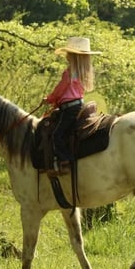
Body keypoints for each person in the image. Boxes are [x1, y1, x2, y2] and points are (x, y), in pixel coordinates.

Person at [42, 37, 101, 171]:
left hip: (69, 108)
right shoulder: (82, 72)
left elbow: (60, 90)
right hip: (78, 104)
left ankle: (65, 160)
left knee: (56, 134)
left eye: (69, 53)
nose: (67, 56)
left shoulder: (68, 73)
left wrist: (49, 99)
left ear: (73, 56)